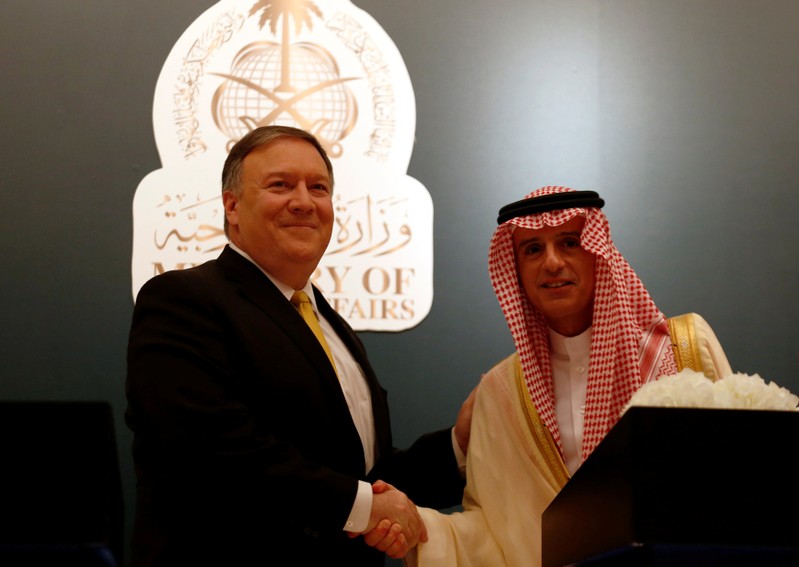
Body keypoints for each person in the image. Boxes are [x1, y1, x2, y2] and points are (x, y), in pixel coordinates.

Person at [125, 125, 471, 566]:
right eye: (280, 185)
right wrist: (364, 507)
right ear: (232, 205)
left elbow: (367, 476)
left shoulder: (329, 324)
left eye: (319, 187)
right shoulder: (182, 300)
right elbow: (214, 452)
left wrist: (458, 445)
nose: (304, 201)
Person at [405, 186, 732, 567]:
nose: (552, 262)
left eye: (570, 242)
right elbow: (491, 530)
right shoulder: (502, 390)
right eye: (532, 249)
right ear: (515, 270)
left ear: (598, 253)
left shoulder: (684, 348)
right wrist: (421, 528)